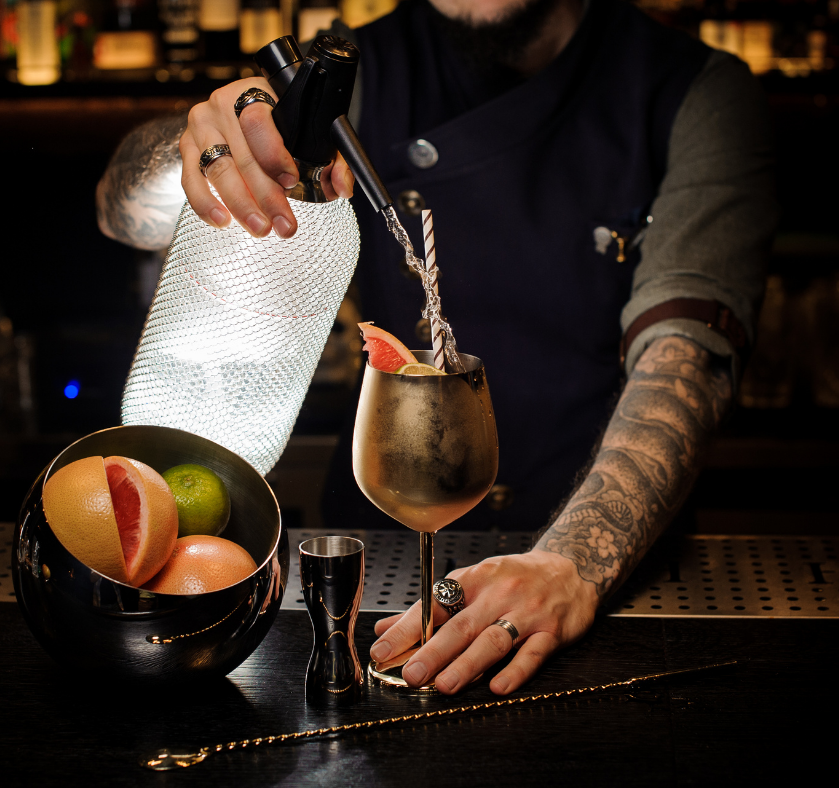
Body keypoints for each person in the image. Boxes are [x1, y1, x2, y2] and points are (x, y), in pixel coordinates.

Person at [96, 0, 777, 696]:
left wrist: (573, 565)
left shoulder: (694, 91)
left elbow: (687, 354)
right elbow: (123, 214)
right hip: (375, 562)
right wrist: (210, 146)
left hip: (602, 574)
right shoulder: (347, 73)